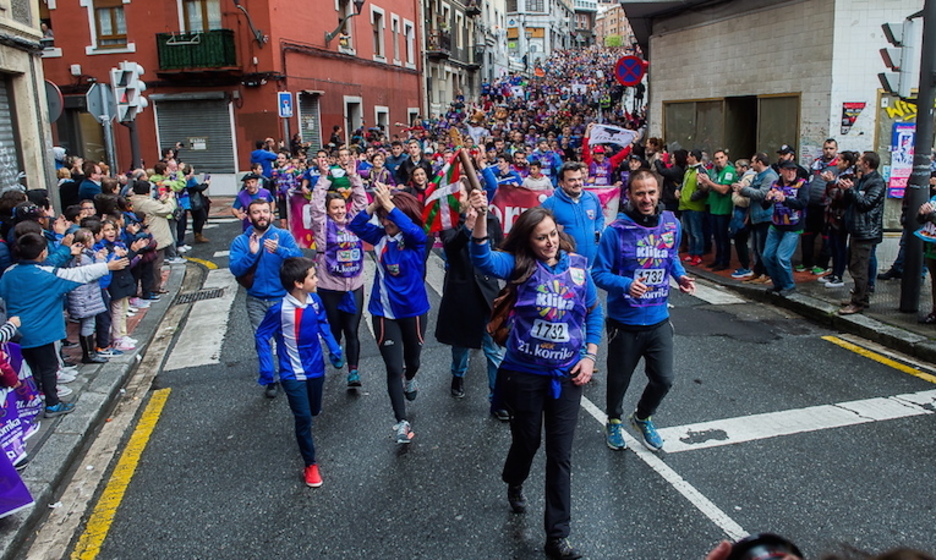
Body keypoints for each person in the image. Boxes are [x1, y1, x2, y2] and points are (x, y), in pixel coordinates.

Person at [468, 194, 603, 560]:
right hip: (524, 375)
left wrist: (589, 357)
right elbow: (481, 258)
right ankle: (515, 479)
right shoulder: (518, 266)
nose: (549, 242)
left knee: (560, 456)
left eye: (552, 235)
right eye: (541, 237)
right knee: (527, 443)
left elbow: (593, 314)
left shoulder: (577, 268)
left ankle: (557, 537)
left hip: (567, 374)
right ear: (528, 240)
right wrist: (480, 218)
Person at [592, 170, 695, 452]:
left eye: (651, 192)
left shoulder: (671, 224)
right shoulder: (616, 231)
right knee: (619, 380)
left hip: (659, 319)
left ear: (659, 192)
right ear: (630, 195)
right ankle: (613, 420)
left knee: (664, 379)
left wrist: (681, 276)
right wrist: (626, 284)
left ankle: (642, 416)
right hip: (624, 322)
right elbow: (598, 274)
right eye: (640, 193)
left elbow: (671, 256)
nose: (646, 199)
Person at [0, 232, 127, 417]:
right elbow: (79, 274)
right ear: (43, 253)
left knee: (29, 369)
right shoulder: (49, 276)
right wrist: (107, 266)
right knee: (49, 368)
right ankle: (53, 404)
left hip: (16, 333)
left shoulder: (9, 273)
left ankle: (33, 400)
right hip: (43, 333)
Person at [347, 184, 429, 444]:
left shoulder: (416, 240)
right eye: (383, 216)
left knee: (412, 361)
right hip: (383, 313)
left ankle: (411, 379)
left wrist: (391, 206)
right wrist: (374, 205)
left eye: (390, 216)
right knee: (393, 368)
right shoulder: (379, 237)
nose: (386, 221)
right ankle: (401, 422)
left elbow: (416, 231)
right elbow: (356, 226)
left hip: (414, 311)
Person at [255, 257, 341, 488]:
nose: (317, 279)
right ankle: (310, 464)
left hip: (316, 369)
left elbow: (323, 324)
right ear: (298, 283)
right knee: (302, 418)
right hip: (291, 373)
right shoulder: (279, 310)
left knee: (313, 411)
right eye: (312, 276)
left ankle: (307, 437)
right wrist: (267, 368)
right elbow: (262, 335)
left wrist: (334, 348)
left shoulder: (315, 301)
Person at [435, 181, 507, 417]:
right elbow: (450, 248)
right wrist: (467, 226)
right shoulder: (448, 223)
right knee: (461, 345)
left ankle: (496, 398)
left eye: (467, 193)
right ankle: (458, 374)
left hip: (487, 293)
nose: (464, 198)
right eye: (460, 195)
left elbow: (499, 250)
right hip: (461, 291)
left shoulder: (491, 220)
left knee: (494, 349)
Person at [229, 199, 304, 398]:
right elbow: (235, 268)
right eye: (256, 212)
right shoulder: (240, 241)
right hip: (256, 299)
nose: (261, 215)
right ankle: (269, 378)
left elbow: (299, 257)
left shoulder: (283, 235)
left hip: (282, 298)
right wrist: (252, 255)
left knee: (284, 339)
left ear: (271, 214)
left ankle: (288, 374)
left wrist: (279, 250)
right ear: (248, 215)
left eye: (265, 211)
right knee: (261, 340)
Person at [311, 160, 367, 388]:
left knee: (352, 330)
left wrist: (354, 177)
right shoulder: (322, 225)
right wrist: (324, 178)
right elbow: (315, 206)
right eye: (335, 208)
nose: (340, 211)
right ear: (328, 210)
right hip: (329, 286)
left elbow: (362, 202)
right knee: (335, 330)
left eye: (342, 207)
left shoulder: (354, 222)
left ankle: (353, 372)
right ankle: (335, 352)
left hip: (354, 286)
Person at [838, 151, 885, 315]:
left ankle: (858, 302)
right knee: (854, 264)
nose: (856, 162)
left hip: (866, 231)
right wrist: (846, 190)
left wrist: (851, 191)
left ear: (867, 164)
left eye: (859, 160)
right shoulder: (860, 180)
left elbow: (866, 204)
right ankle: (860, 296)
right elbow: (849, 202)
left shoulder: (877, 182)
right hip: (856, 228)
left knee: (860, 268)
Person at [761, 160, 809, 296]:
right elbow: (764, 205)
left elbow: (803, 203)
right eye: (787, 170)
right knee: (767, 256)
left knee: (782, 257)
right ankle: (778, 284)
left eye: (793, 170)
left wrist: (785, 199)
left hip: (793, 226)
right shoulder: (775, 184)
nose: (791, 173)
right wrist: (767, 198)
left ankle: (789, 285)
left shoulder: (802, 184)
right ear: (780, 171)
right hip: (776, 224)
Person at [542, 162, 604, 266]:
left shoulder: (592, 198)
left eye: (579, 179)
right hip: (566, 265)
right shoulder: (550, 203)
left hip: (592, 263)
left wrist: (597, 231)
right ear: (561, 182)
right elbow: (536, 225)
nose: (577, 183)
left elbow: (599, 217)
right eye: (572, 180)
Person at [696, 149, 737, 271]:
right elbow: (707, 188)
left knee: (723, 237)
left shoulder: (729, 171)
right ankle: (718, 259)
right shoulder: (715, 172)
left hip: (724, 209)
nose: (719, 160)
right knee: (717, 237)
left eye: (721, 157)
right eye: (717, 158)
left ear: (726, 158)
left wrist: (708, 182)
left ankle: (725, 261)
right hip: (714, 208)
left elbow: (724, 189)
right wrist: (702, 183)